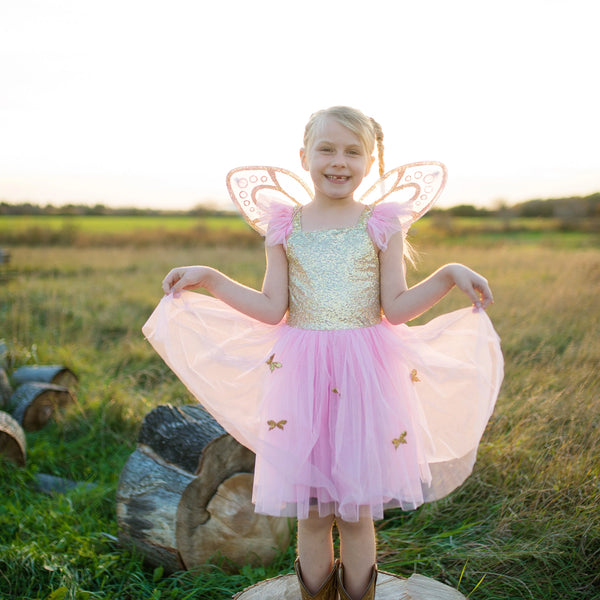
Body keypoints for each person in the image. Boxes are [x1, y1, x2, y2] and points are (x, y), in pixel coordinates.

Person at [143, 106, 503, 600]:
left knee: (355, 515)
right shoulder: (285, 225)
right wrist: (210, 277)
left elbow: (395, 309)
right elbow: (272, 309)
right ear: (304, 156)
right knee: (312, 515)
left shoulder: (381, 223)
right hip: (301, 378)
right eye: (327, 149)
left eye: (353, 152)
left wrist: (448, 274)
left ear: (370, 162)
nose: (339, 161)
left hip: (365, 376)